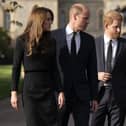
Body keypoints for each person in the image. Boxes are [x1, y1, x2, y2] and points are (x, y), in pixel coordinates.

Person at [10, 6, 64, 126]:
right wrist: (14, 92)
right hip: (30, 90)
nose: (50, 23)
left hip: (48, 89)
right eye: (48, 19)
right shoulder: (22, 40)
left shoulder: (52, 41)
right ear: (39, 20)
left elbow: (54, 68)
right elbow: (16, 67)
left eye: (51, 20)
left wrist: (60, 90)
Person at [52, 3, 98, 126]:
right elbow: (49, 67)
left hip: (82, 96)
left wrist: (94, 97)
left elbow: (92, 70)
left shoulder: (89, 40)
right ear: (74, 16)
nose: (88, 22)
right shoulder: (53, 37)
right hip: (60, 95)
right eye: (85, 18)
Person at [91, 10, 126, 126]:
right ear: (106, 26)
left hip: (119, 96)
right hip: (99, 95)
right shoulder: (93, 44)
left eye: (120, 27)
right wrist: (96, 75)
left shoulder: (124, 45)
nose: (119, 30)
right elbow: (84, 68)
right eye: (116, 27)